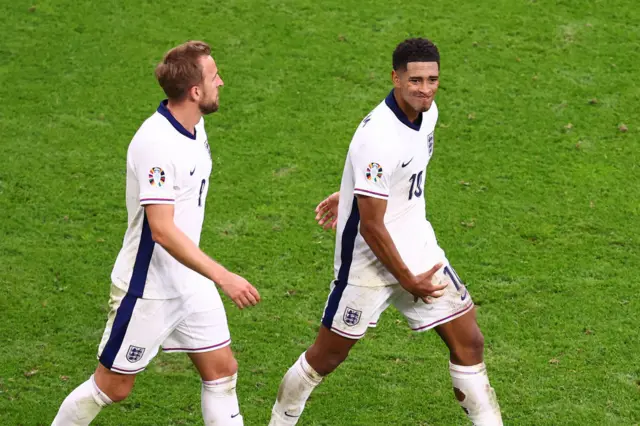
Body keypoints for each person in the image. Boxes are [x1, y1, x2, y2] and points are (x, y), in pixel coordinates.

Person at [268, 38, 503, 425]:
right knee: (327, 356)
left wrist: (351, 190)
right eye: (415, 80)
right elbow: (372, 225)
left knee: (469, 340)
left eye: (433, 79)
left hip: (418, 247)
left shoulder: (428, 113)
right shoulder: (376, 137)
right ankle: (280, 419)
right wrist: (407, 279)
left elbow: (401, 174)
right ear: (395, 78)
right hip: (367, 260)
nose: (425, 89)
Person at [52, 40, 260, 426]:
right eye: (215, 77)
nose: (222, 82)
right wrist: (224, 276)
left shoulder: (193, 127)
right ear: (195, 91)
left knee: (222, 371)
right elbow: (161, 230)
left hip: (189, 281)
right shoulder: (156, 144)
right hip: (148, 287)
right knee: (112, 388)